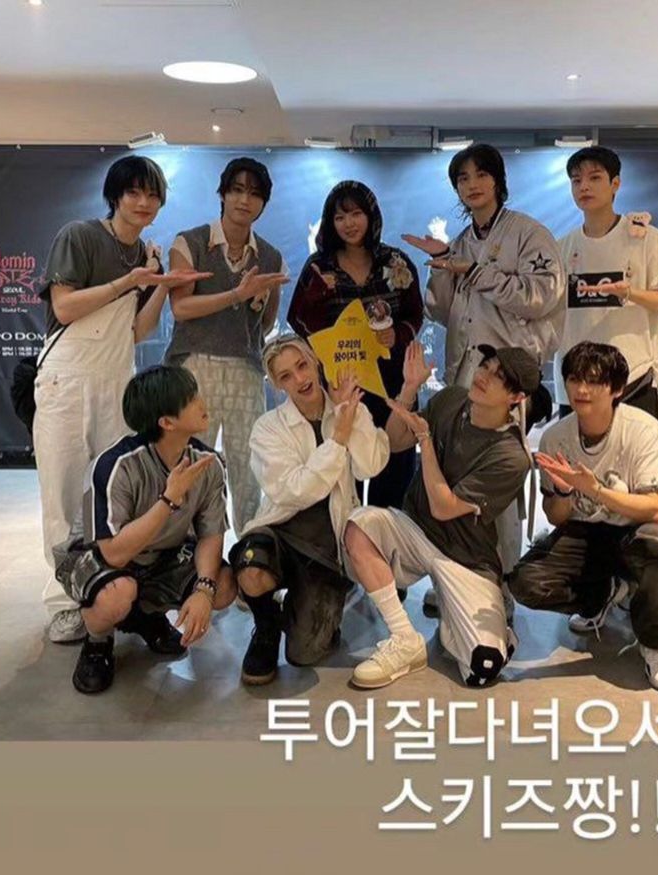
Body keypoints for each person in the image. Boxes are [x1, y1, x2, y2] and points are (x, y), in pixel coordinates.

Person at [35, 155, 205, 643]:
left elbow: (137, 331)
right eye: (134, 192)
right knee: (63, 492)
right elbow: (64, 306)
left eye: (152, 195)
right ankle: (65, 602)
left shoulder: (146, 255)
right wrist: (129, 281)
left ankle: (116, 595)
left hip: (115, 379)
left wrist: (159, 286)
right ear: (115, 195)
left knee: (113, 491)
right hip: (67, 380)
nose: (143, 202)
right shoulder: (80, 236)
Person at [402, 143, 565, 586]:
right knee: (456, 477)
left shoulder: (528, 233)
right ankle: (455, 573)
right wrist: (442, 265)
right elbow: (441, 310)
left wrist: (473, 271)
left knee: (498, 485)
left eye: (481, 175)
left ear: (498, 181)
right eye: (462, 178)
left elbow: (541, 296)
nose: (472, 185)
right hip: (464, 377)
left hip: (504, 379)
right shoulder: (460, 242)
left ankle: (500, 579)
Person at [344, 341, 538, 689]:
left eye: (499, 376)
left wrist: (426, 439)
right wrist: (409, 388)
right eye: (486, 365)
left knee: (483, 667)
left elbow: (444, 507)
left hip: (466, 557)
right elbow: (395, 442)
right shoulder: (451, 399)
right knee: (360, 525)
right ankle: (404, 638)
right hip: (416, 529)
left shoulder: (512, 456)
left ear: (516, 397)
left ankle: (462, 622)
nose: (484, 375)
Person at [507, 342, 658, 692]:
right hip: (587, 533)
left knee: (657, 546)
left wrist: (595, 490)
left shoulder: (642, 430)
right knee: (526, 582)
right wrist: (564, 492)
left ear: (617, 389)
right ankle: (604, 593)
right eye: (574, 379)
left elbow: (655, 507)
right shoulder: (556, 437)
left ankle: (657, 643)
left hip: (638, 531)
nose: (582, 389)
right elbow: (556, 517)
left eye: (594, 381)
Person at [53, 365, 236, 694]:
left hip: (162, 556)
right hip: (103, 560)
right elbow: (113, 553)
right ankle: (98, 642)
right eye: (191, 399)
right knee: (115, 594)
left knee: (223, 585)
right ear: (166, 422)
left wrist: (204, 590)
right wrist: (169, 499)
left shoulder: (207, 462)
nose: (202, 402)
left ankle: (146, 618)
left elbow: (211, 534)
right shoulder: (115, 465)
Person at [232, 334, 389, 685]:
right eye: (286, 376)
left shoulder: (347, 410)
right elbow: (295, 490)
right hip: (279, 532)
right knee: (251, 568)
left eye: (302, 366)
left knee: (304, 654)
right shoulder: (268, 428)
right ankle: (266, 625)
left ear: (316, 362)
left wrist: (353, 419)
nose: (300, 379)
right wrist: (338, 440)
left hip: (325, 549)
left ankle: (305, 608)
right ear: (277, 385)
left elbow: (370, 467)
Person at [166, 157, 291, 537]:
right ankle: (187, 548)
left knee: (248, 466)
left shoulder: (270, 256)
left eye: (254, 194)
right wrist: (237, 294)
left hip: (244, 368)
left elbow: (264, 323)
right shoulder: (190, 242)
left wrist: (255, 300)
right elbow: (181, 307)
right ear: (222, 194)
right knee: (189, 460)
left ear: (264, 203)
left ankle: (248, 552)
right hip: (194, 365)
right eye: (236, 190)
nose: (244, 200)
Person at [288, 180, 423, 509]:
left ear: (371, 215)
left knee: (394, 474)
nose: (348, 223)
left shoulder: (396, 261)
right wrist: (323, 327)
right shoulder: (319, 267)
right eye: (340, 217)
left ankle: (389, 538)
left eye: (356, 214)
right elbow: (298, 319)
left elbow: (415, 313)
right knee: (342, 475)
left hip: (393, 383)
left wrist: (397, 335)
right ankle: (345, 540)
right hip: (342, 385)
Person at [556, 146, 658, 420]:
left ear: (615, 183)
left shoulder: (646, 239)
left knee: (636, 448)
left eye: (594, 178)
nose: (584, 187)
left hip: (633, 378)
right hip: (577, 383)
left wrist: (630, 293)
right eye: (576, 180)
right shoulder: (562, 248)